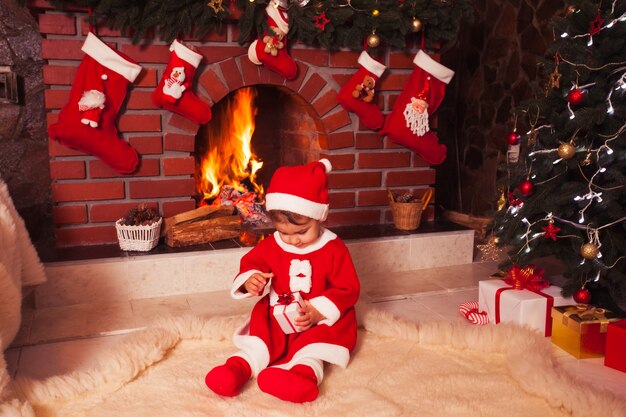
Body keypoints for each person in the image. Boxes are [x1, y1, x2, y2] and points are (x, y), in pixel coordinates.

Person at [205, 159, 360, 403]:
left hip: (315, 318)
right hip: (278, 313)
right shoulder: (273, 244)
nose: (293, 240)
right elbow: (252, 264)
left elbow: (347, 289)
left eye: (301, 232)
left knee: (316, 344)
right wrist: (251, 281)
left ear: (319, 218)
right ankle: (238, 368)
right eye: (285, 233)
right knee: (262, 338)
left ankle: (302, 375)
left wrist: (319, 312)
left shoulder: (333, 248)